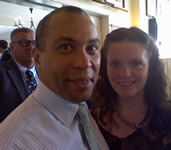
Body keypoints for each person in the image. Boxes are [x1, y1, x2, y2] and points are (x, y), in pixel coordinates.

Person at [0, 6, 108, 150]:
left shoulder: (81, 109)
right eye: (65, 47)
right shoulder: (14, 143)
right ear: (38, 58)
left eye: (92, 47)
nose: (84, 63)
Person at [90, 27, 171, 150]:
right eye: (115, 64)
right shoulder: (90, 122)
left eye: (136, 63)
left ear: (150, 69)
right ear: (105, 68)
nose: (125, 73)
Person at [0, 27, 38, 122]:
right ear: (12, 47)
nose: (31, 47)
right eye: (24, 43)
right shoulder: (2, 72)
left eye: (33, 43)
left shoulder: (47, 71)